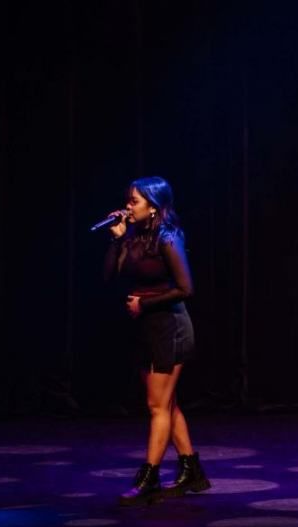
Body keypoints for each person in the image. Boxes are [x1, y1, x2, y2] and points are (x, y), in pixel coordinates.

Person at [103, 176, 211, 506]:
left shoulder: (168, 237)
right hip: (147, 330)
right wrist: (117, 241)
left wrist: (144, 304)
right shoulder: (135, 239)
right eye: (128, 200)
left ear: (153, 206)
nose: (128, 207)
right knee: (167, 403)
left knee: (157, 406)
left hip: (170, 328)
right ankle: (191, 470)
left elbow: (185, 288)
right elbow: (108, 278)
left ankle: (149, 477)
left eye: (134, 201)